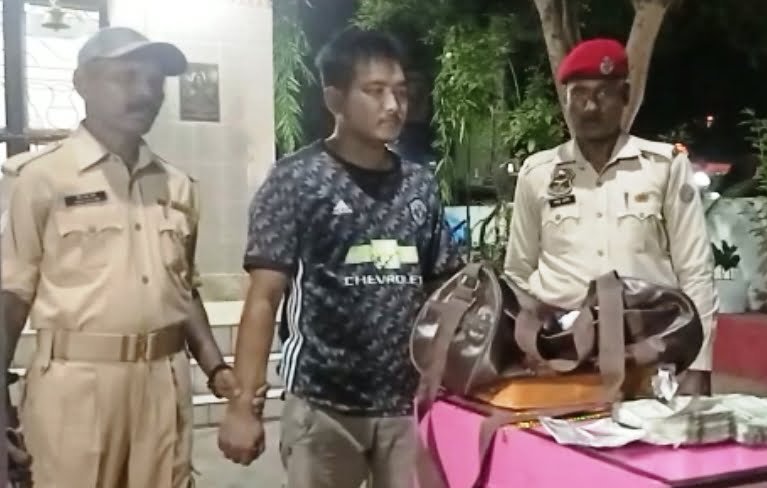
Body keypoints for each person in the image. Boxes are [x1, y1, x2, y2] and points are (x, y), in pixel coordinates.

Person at [0, 26, 261, 488]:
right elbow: (10, 298)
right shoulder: (40, 179)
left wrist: (215, 367)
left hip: (163, 385)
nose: (145, 92)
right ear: (82, 83)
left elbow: (182, 290)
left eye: (155, 81)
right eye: (126, 77)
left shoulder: (177, 186)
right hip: (75, 389)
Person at [217, 27, 463, 488]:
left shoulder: (420, 185)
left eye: (400, 92)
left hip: (406, 405)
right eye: (375, 91)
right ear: (335, 98)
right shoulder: (296, 180)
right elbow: (264, 298)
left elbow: (442, 287)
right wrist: (243, 404)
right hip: (324, 405)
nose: (393, 105)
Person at [503, 38, 718, 395]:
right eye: (579, 94)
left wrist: (698, 365)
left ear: (625, 96)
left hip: (647, 353)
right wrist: (536, 341)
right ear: (566, 100)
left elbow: (695, 271)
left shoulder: (663, 166)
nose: (590, 106)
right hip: (562, 359)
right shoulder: (537, 173)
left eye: (603, 93)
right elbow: (517, 272)